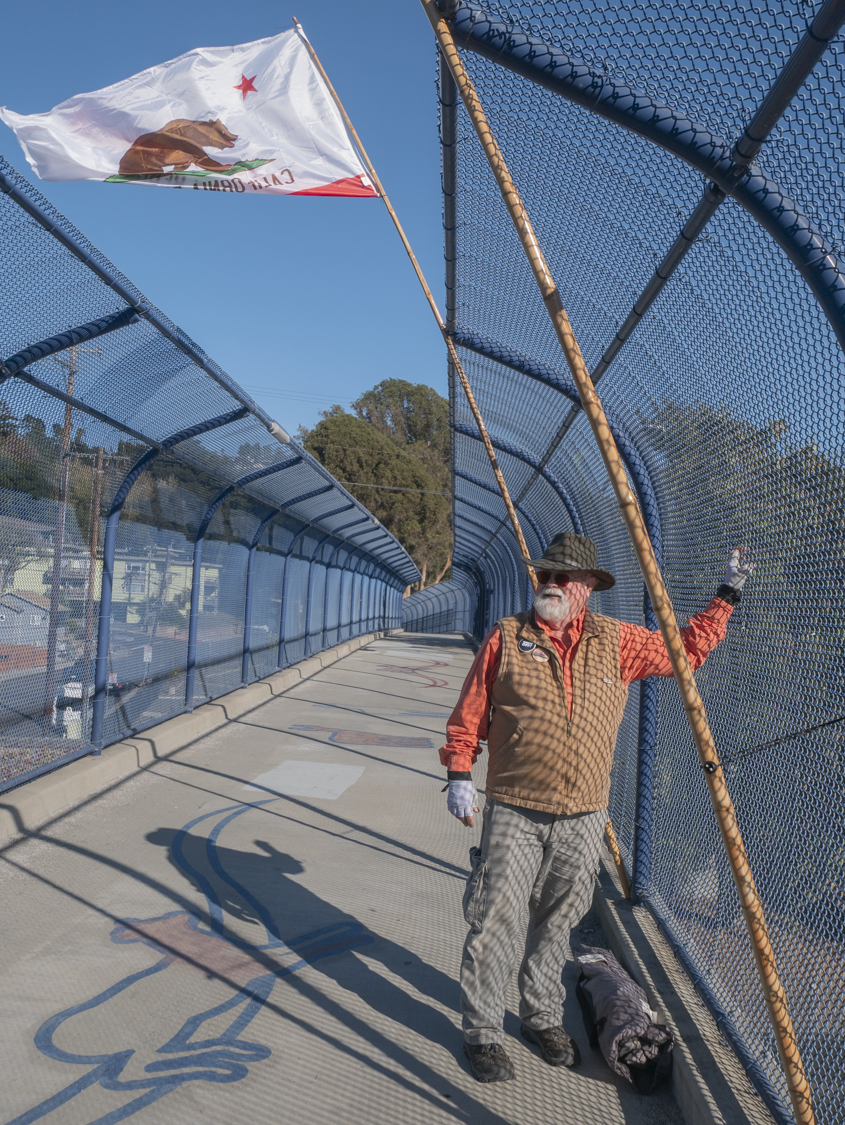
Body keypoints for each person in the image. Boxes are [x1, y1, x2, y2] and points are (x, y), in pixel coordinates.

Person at [440, 532, 753, 1083]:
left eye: (564, 577)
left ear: (587, 587)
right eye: (546, 575)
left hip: (584, 814)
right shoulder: (508, 637)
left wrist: (726, 595)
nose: (552, 584)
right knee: (497, 918)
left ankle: (540, 1017)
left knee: (558, 921)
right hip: (515, 805)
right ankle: (483, 1032)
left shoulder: (618, 641)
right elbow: (470, 711)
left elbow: (688, 652)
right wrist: (460, 773)